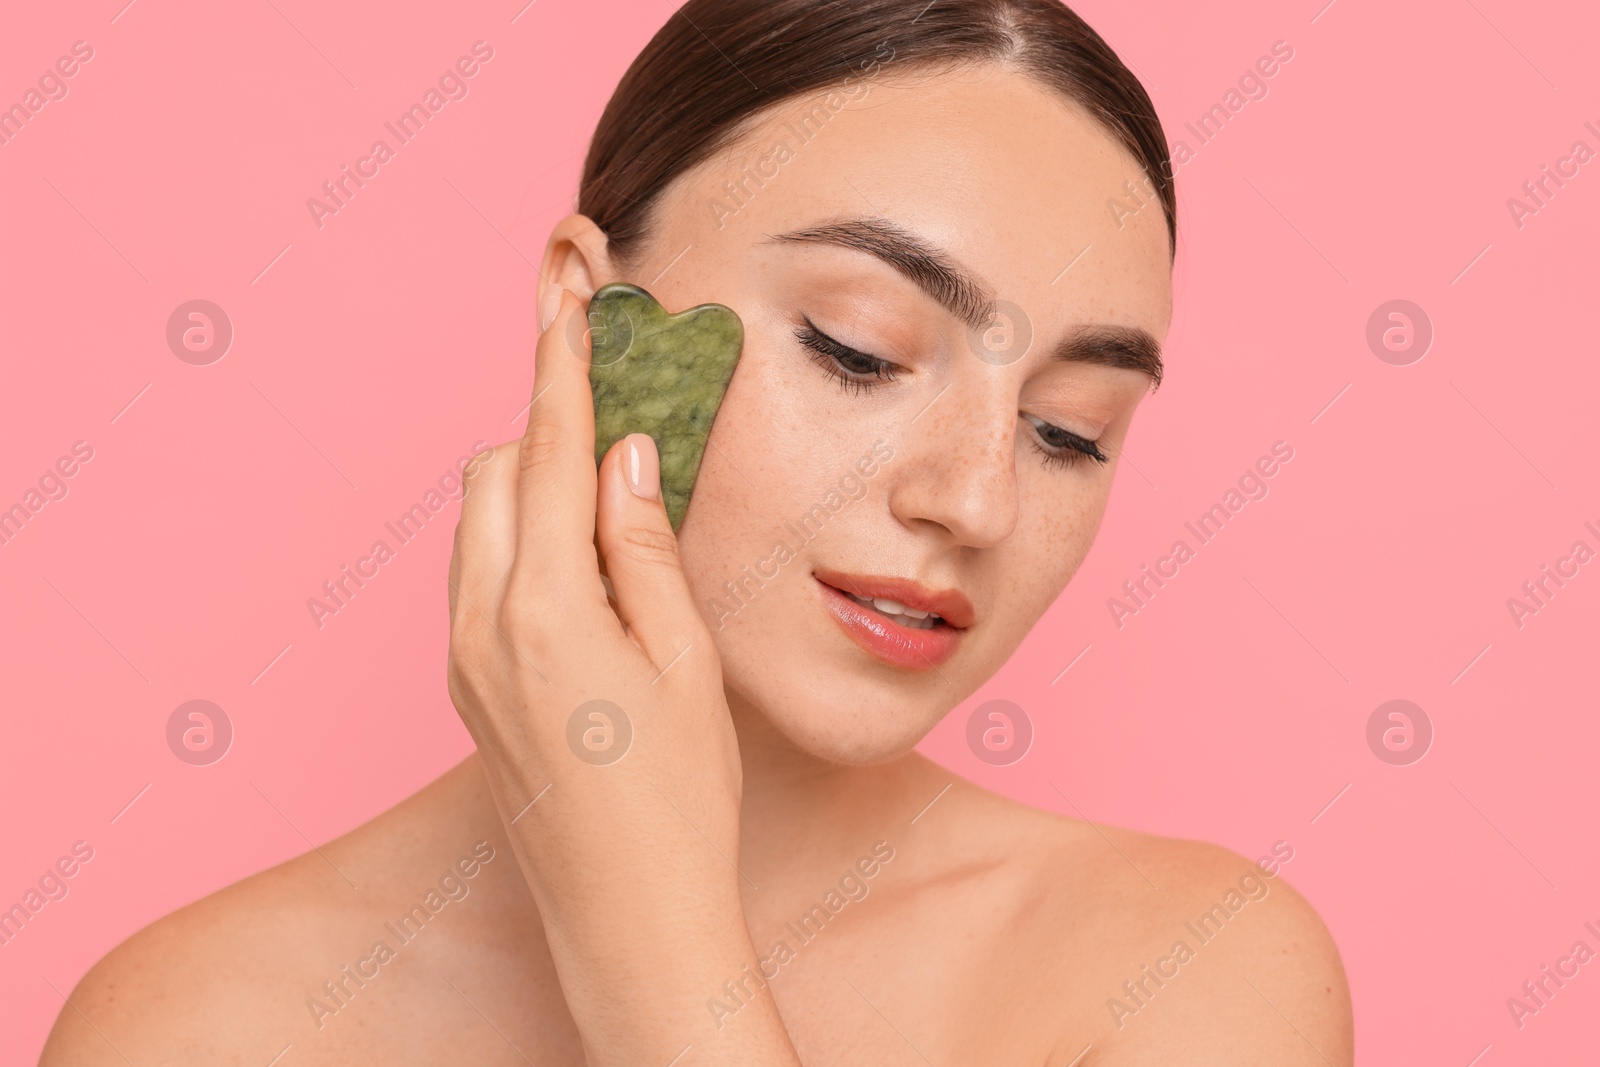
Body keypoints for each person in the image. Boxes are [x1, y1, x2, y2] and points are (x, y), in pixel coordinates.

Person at [41, 1, 1353, 1063]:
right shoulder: (194, 1026)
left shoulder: (1189, 977)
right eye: (860, 349)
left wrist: (654, 949)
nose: (977, 503)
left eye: (1070, 427)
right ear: (586, 318)